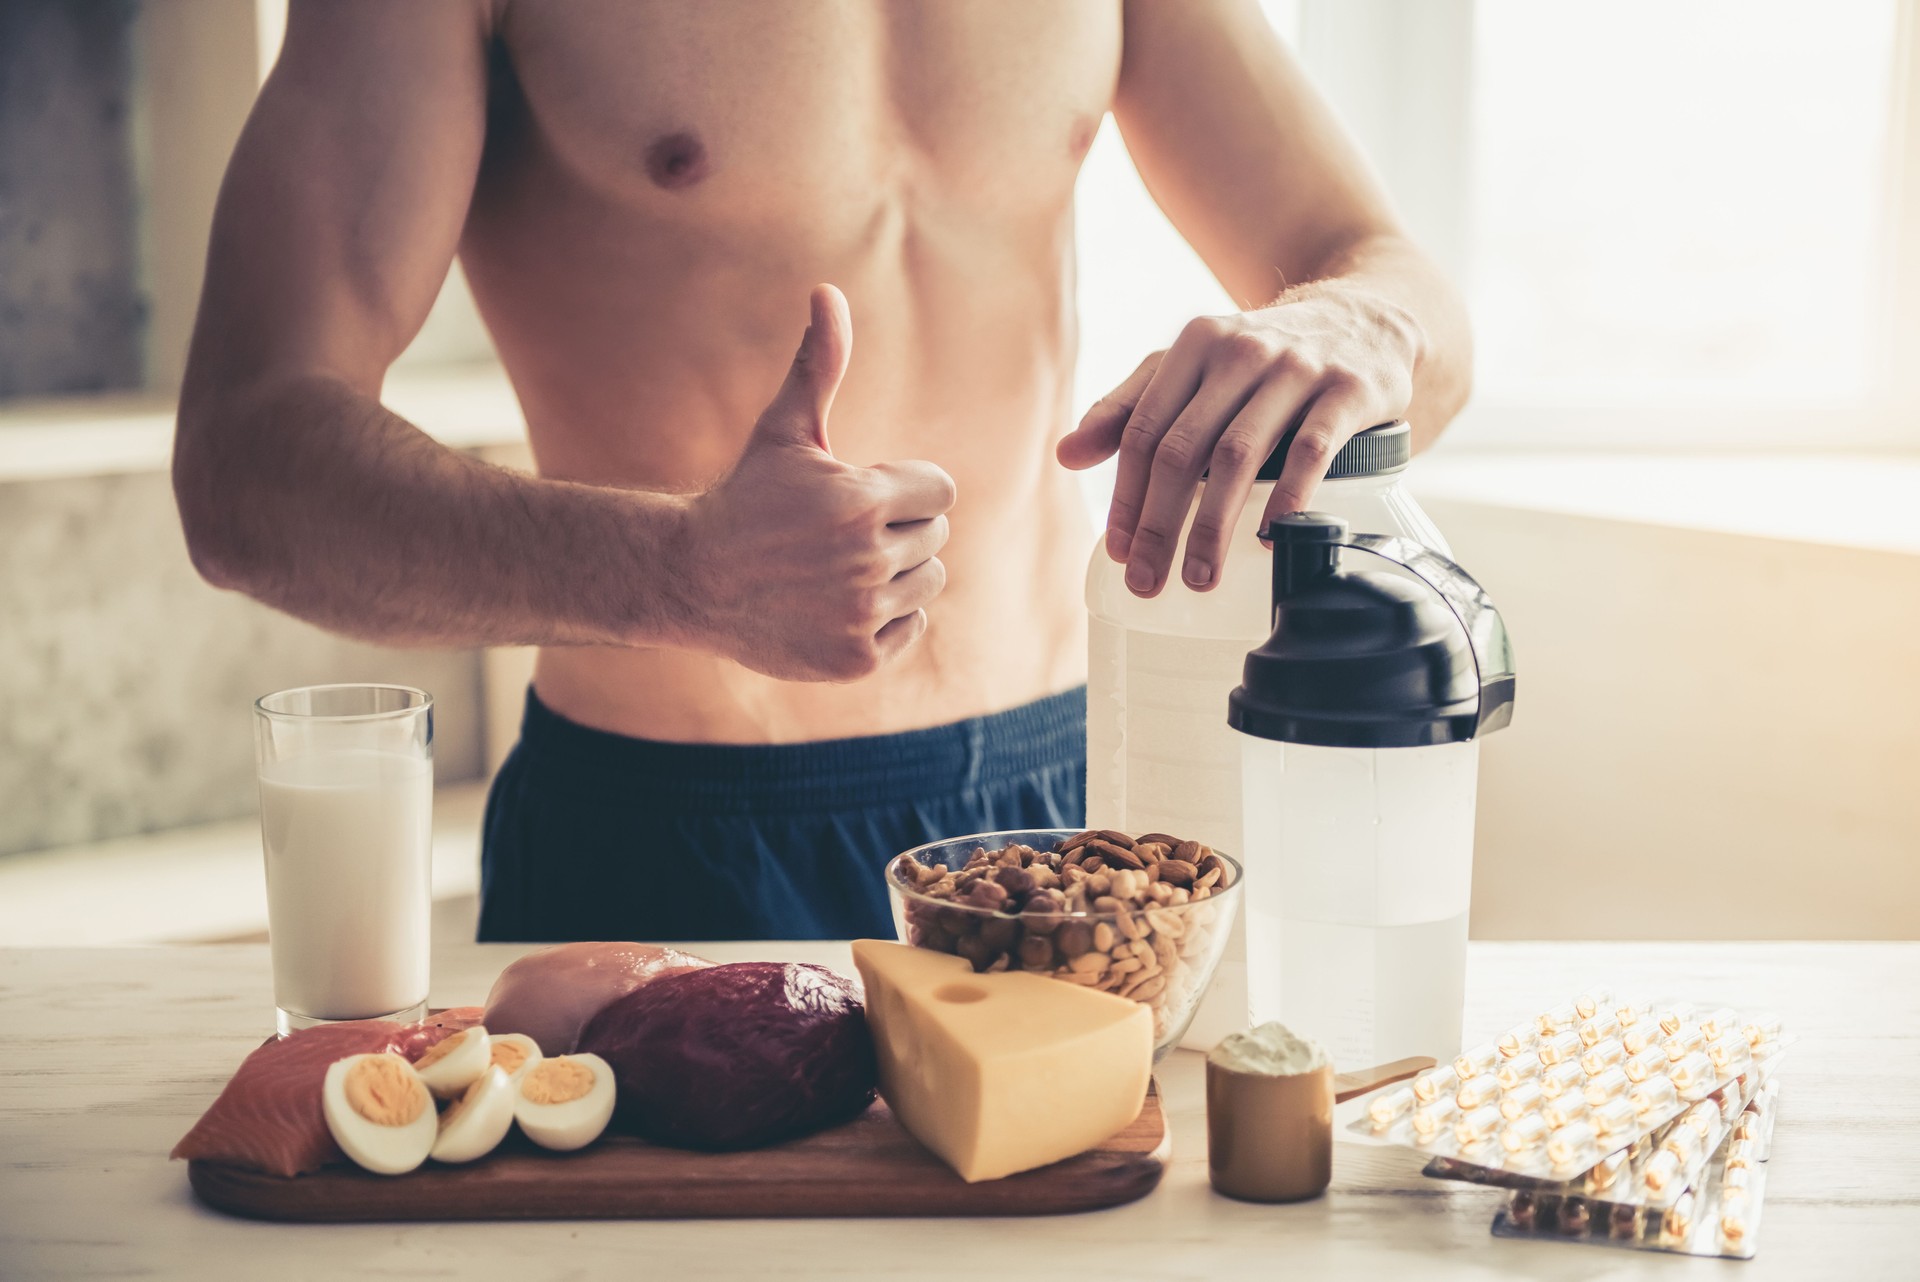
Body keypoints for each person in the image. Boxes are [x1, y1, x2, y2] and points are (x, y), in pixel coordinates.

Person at [172, 0, 1471, 941]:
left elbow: (1407, 300)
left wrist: (1354, 323)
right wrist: (677, 575)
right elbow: (247, 461)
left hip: (1076, 793)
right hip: (678, 833)